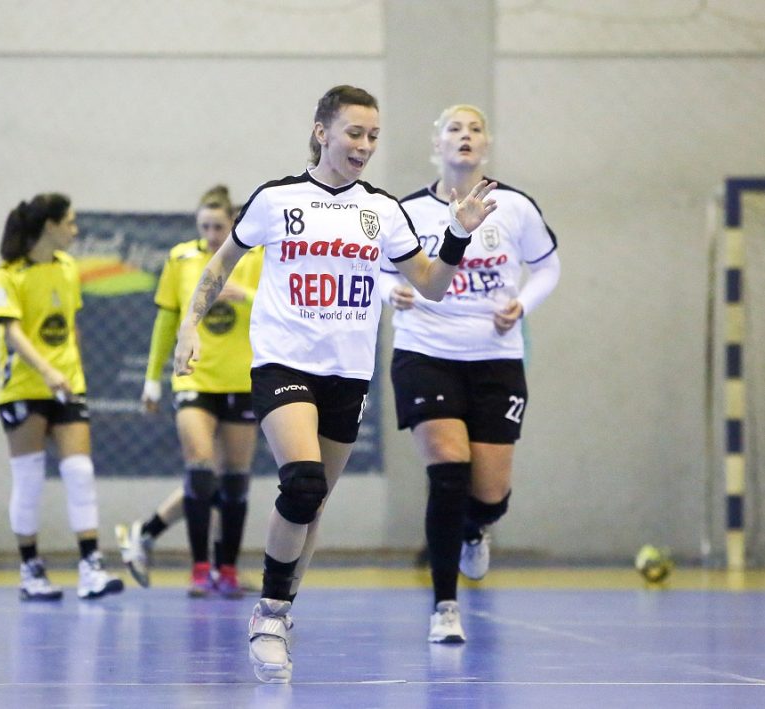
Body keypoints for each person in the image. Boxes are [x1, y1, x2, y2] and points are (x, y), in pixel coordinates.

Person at [173, 85, 497, 683]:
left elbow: (430, 285)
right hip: (283, 364)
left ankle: (282, 608)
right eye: (354, 132)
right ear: (322, 131)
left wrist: (458, 233)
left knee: (314, 501)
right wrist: (189, 325)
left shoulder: (383, 211)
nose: (365, 145)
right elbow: (221, 264)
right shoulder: (277, 199)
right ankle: (269, 616)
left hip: (347, 373)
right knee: (301, 484)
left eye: (373, 136)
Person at [380, 104, 560, 644]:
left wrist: (522, 305)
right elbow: (374, 269)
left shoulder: (515, 207)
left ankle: (476, 530)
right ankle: (444, 606)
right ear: (436, 144)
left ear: (486, 144)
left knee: (490, 495)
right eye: (454, 129)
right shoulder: (408, 211)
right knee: (448, 471)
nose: (464, 136)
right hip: (425, 351)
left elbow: (547, 266)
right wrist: (393, 291)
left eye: (474, 129)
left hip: (494, 357)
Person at [117, 185, 263, 598]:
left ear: (233, 223)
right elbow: (167, 320)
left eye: (219, 227)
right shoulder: (181, 259)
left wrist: (245, 295)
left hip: (242, 380)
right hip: (194, 379)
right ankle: (200, 569)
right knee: (200, 472)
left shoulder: (256, 257)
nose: (212, 235)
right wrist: (151, 379)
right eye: (205, 227)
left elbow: (281, 305)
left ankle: (225, 569)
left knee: (233, 481)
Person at [0, 192, 124, 602]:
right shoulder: (8, 276)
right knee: (29, 479)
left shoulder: (67, 268)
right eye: (70, 222)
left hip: (68, 387)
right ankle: (30, 569)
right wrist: (46, 371)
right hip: (25, 388)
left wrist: (72, 372)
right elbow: (12, 333)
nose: (75, 230)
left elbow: (69, 325)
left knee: (80, 472)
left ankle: (90, 568)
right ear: (49, 226)